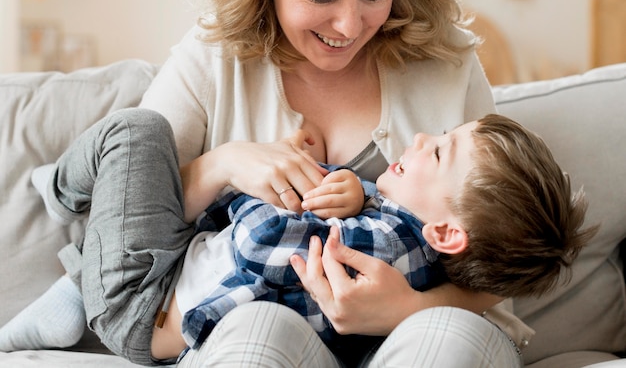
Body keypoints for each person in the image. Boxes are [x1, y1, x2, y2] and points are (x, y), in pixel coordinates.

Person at [0, 0, 562, 365]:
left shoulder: (447, 62)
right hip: (248, 322)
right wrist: (225, 164)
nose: (348, 24)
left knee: (450, 335)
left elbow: (503, 248)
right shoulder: (214, 60)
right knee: (260, 327)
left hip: (420, 330)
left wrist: (410, 305)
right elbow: (129, 217)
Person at [0, 113, 594, 366]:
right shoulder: (409, 241)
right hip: (173, 282)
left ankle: (58, 191)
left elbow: (261, 242)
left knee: (134, 132)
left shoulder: (387, 250)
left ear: (445, 231)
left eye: (437, 150)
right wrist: (352, 193)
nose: (416, 139)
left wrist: (271, 175)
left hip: (143, 303)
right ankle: (76, 289)